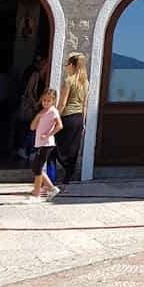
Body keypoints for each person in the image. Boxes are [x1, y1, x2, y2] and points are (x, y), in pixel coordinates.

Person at [55, 53, 89, 190]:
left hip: (67, 117)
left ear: (73, 65)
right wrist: (84, 121)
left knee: (55, 147)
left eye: (67, 64)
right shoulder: (85, 83)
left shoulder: (69, 81)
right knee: (73, 149)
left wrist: (54, 117)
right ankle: (67, 179)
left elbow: (62, 103)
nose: (66, 67)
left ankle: (50, 178)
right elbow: (85, 104)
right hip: (78, 118)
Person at [29, 88, 62, 203]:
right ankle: (52, 189)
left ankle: (36, 193)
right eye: (44, 100)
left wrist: (48, 135)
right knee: (36, 168)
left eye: (49, 101)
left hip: (47, 144)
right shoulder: (42, 112)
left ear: (53, 101)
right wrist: (38, 116)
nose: (46, 103)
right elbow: (32, 127)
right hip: (40, 143)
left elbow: (59, 126)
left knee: (37, 168)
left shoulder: (53, 111)